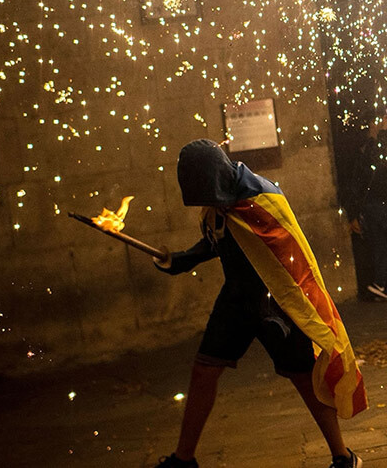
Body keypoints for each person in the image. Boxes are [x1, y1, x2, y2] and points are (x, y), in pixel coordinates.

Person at [154, 140, 366, 468]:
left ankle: (343, 456)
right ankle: (184, 460)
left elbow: (285, 255)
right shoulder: (220, 195)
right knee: (203, 370)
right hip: (237, 299)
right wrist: (183, 259)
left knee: (304, 378)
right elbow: (220, 237)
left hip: (277, 300)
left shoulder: (262, 198)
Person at [351, 112, 387, 301]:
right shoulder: (366, 148)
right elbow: (372, 161)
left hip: (372, 203)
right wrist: (378, 133)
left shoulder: (368, 147)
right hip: (374, 203)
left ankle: (380, 285)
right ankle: (380, 283)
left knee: (382, 243)